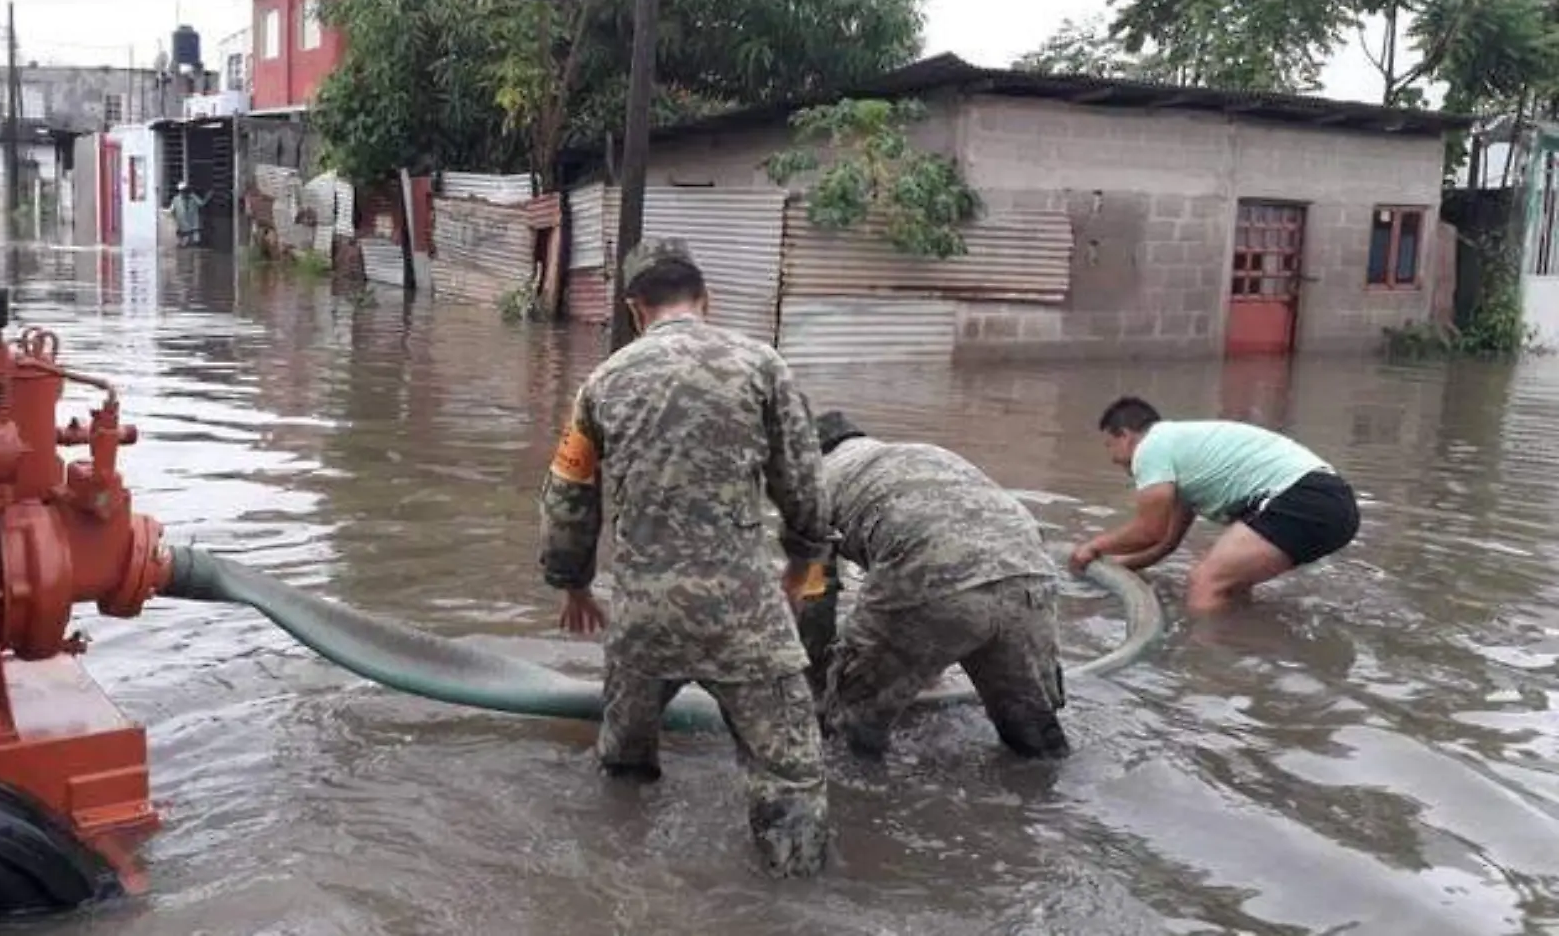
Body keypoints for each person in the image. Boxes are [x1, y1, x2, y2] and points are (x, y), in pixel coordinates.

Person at [536, 237, 833, 879]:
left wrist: (574, 584)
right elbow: (804, 483)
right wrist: (801, 561)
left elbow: (568, 493)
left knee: (622, 768)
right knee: (789, 778)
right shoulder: (763, 365)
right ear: (705, 298)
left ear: (634, 309)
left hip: (644, 617)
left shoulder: (601, 383)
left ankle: (611, 889)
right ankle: (796, 905)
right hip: (744, 614)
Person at [802, 412, 1070, 762]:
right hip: (1031, 574)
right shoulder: (914, 455)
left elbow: (815, 597)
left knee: (847, 729)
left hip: (937, 578)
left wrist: (819, 685)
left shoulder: (813, 485)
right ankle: (1047, 808)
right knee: (1035, 735)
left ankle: (861, 811)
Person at [1069, 397, 1360, 614]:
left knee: (1206, 582)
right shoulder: (1185, 462)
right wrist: (1112, 570)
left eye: (1109, 446)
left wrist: (1093, 548)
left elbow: (1148, 531)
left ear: (1126, 435)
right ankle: (1246, 648)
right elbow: (1164, 543)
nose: (1112, 458)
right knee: (1229, 584)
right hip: (1336, 506)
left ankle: (1212, 668)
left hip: (1304, 496)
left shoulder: (1151, 447)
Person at [169, 181, 208, 248]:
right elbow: (172, 211)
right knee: (183, 245)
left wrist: (193, 195)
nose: (184, 192)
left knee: (193, 245)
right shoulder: (176, 199)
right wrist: (176, 222)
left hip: (193, 227)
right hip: (182, 227)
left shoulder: (192, 198)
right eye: (182, 191)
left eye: (185, 190)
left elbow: (201, 204)